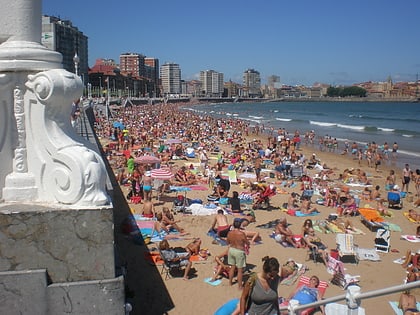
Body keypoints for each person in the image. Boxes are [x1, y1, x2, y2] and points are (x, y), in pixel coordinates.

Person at [227, 218, 249, 289]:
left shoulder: (230, 233)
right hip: (239, 251)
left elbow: (228, 242)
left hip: (231, 250)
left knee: (232, 268)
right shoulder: (241, 234)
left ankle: (230, 282)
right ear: (240, 225)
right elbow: (246, 242)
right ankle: (240, 286)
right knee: (240, 270)